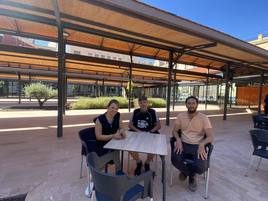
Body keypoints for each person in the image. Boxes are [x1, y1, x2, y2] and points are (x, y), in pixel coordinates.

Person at [171, 96, 213, 192]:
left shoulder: (204, 118)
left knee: (202, 167)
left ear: (197, 104)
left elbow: (210, 136)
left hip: (197, 146)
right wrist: (178, 139)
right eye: (189, 103)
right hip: (183, 144)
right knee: (175, 159)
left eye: (193, 103)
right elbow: (174, 131)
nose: (191, 105)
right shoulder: (181, 116)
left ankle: (189, 174)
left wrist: (202, 144)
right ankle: (190, 175)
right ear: (186, 104)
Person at [128, 96, 161, 175]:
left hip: (150, 133)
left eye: (144, 102)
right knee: (129, 146)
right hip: (137, 132)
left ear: (147, 103)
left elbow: (158, 126)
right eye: (141, 102)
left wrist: (150, 131)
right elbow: (130, 125)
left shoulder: (152, 112)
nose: (143, 104)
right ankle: (138, 162)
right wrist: (138, 131)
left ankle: (147, 163)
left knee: (154, 147)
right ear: (139, 103)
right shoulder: (135, 112)